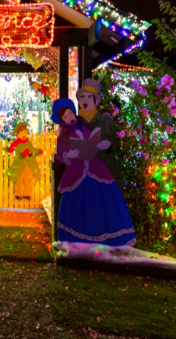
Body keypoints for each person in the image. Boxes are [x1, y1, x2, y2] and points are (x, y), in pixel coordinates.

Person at [52, 98, 135, 247]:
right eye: (65, 117)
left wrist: (98, 144)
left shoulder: (83, 127)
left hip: (94, 167)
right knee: (78, 204)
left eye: (70, 113)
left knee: (100, 200)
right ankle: (78, 241)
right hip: (76, 172)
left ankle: (105, 239)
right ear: (61, 120)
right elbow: (60, 154)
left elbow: (93, 140)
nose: (69, 117)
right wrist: (69, 155)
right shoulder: (62, 137)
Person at [76, 78, 123, 191]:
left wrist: (108, 144)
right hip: (81, 171)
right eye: (82, 97)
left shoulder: (105, 120)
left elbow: (116, 142)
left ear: (95, 100)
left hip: (103, 168)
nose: (85, 100)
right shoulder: (76, 121)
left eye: (89, 97)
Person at [5, 122, 41, 200]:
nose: (24, 134)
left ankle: (27, 194)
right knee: (19, 179)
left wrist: (38, 152)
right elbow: (14, 151)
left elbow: (32, 149)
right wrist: (23, 154)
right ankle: (18, 194)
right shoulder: (16, 143)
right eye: (21, 133)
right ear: (18, 135)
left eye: (25, 132)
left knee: (29, 178)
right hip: (20, 163)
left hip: (29, 163)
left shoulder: (28, 142)